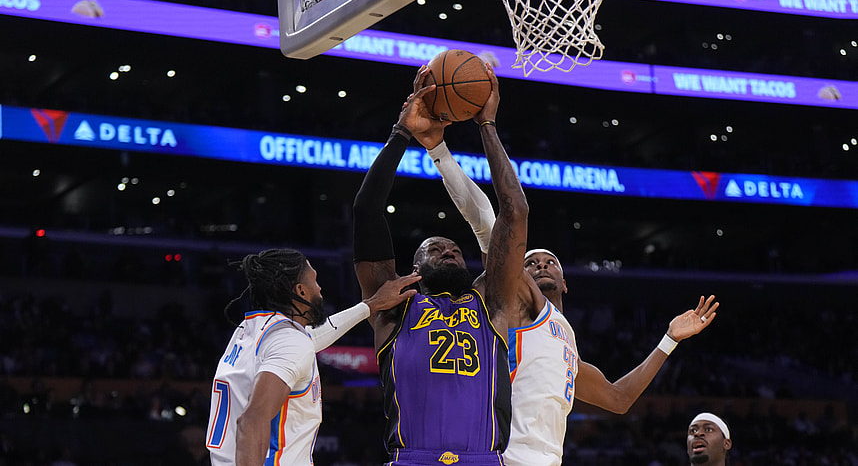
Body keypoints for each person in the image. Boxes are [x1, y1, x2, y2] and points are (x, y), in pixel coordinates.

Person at [421, 132, 720, 466]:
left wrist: (669, 339)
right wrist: (440, 151)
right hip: (503, 456)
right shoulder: (516, 301)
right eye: (530, 262)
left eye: (550, 262)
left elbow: (618, 398)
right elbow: (487, 223)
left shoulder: (564, 340)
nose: (540, 265)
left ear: (565, 283)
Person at [352, 64, 539, 465]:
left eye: (454, 248)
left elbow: (515, 211)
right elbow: (367, 211)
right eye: (434, 249)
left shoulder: (491, 301)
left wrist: (486, 125)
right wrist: (401, 133)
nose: (449, 251)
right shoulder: (394, 308)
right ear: (413, 269)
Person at [205, 248, 421, 466]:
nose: (319, 288)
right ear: (301, 291)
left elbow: (312, 338)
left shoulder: (249, 331)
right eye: (315, 280)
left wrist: (371, 305)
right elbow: (252, 420)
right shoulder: (290, 341)